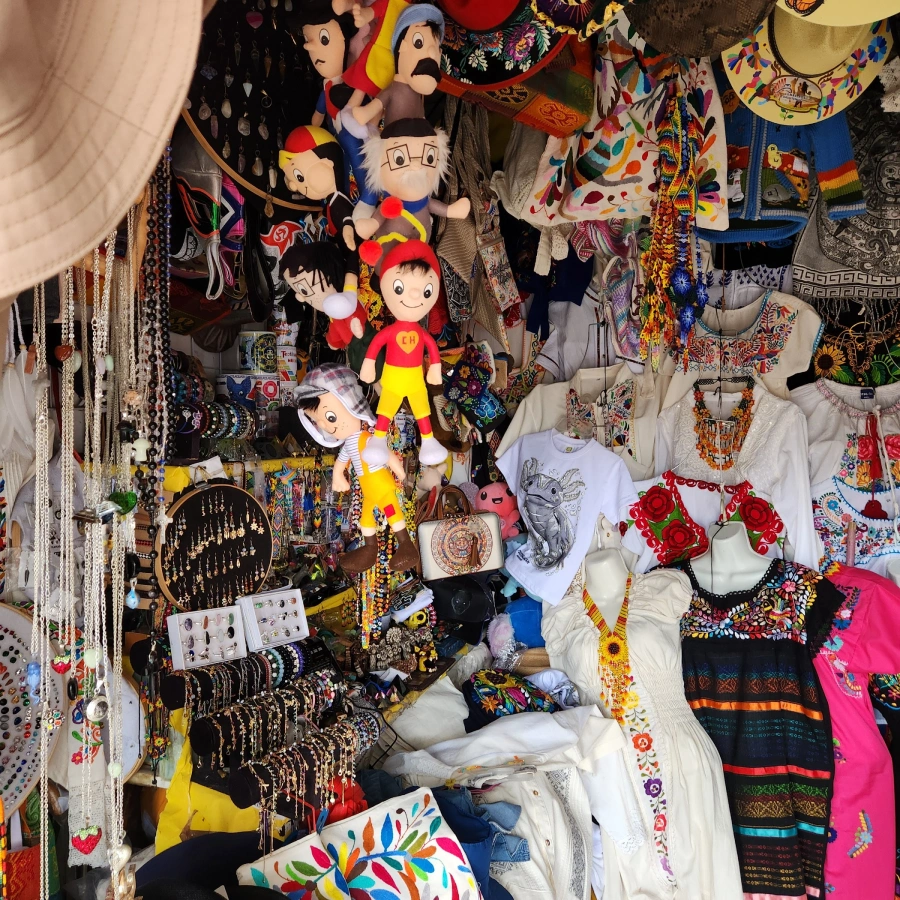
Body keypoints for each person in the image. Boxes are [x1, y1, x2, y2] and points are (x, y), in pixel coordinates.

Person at [296, 363, 420, 573]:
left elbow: (387, 455)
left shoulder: (366, 438)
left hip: (381, 485)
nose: (326, 426)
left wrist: (399, 472)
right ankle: (369, 549)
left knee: (392, 512)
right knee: (365, 518)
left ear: (351, 403)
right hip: (368, 490)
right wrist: (338, 477)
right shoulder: (349, 444)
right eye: (319, 422)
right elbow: (341, 463)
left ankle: (406, 545)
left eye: (329, 418)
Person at [359, 240, 446, 466]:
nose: (416, 295)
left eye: (426, 290)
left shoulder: (420, 332)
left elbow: (431, 348)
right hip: (394, 381)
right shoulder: (392, 331)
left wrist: (435, 368)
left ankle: (428, 441)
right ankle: (378, 440)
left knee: (422, 411)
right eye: (400, 288)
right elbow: (376, 343)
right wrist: (368, 365)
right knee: (386, 409)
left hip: (415, 381)